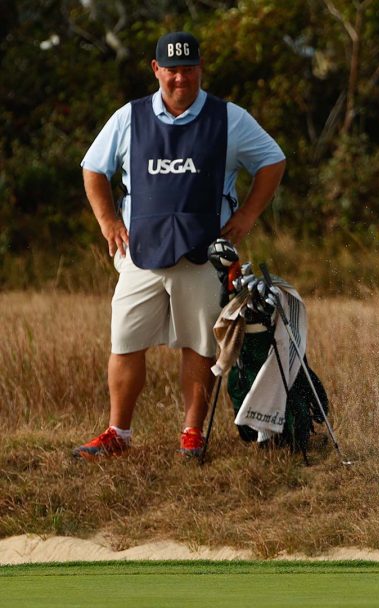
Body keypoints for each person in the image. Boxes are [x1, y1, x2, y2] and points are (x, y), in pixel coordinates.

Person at [74, 31, 286, 460]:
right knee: (124, 341)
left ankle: (193, 433)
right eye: (171, 69)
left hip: (202, 253)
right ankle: (119, 433)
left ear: (199, 68)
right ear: (156, 70)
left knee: (200, 345)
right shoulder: (129, 117)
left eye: (188, 68)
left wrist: (246, 216)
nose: (180, 78)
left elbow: (273, 160)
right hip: (141, 254)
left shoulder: (229, 118)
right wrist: (108, 221)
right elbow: (93, 168)